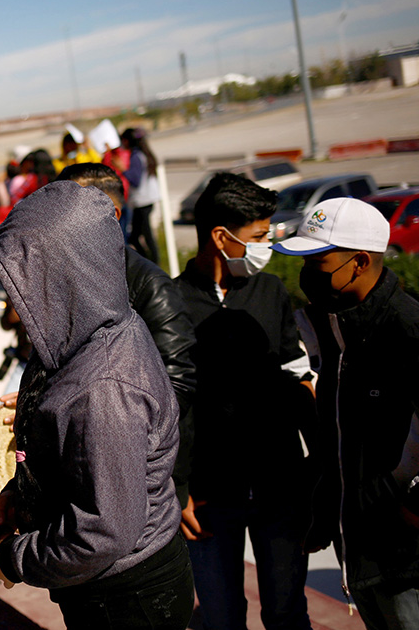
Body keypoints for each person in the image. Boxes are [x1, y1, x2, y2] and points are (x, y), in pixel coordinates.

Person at [0, 181, 193, 629]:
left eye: (21, 285)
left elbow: (104, 531)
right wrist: (20, 496)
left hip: (127, 596)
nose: (14, 302)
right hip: (109, 585)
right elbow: (74, 460)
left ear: (61, 277)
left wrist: (14, 560)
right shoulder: (85, 331)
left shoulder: (105, 387)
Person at [174, 172, 315, 630]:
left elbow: (299, 381)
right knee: (222, 617)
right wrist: (176, 491)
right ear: (221, 236)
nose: (266, 246)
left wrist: (319, 475)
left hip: (279, 489)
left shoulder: (271, 292)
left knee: (287, 613)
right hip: (209, 498)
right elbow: (164, 408)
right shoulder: (170, 304)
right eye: (258, 237)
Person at [272, 197, 419, 628]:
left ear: (358, 262)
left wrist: (412, 504)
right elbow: (340, 437)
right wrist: (324, 511)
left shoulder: (406, 330)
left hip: (405, 559)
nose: (306, 274)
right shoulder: (340, 327)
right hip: (360, 548)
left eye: (317, 261)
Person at [58, 162, 198, 509]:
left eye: (67, 213)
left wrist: (101, 426)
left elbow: (176, 384)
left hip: (141, 483)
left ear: (113, 214)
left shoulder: (150, 286)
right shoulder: (70, 278)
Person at [121, 128, 161, 263]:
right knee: (136, 236)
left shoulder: (136, 156)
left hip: (142, 201)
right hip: (147, 200)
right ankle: (150, 262)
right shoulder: (143, 154)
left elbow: (136, 181)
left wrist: (122, 169)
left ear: (126, 141)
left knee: (145, 237)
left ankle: (153, 265)